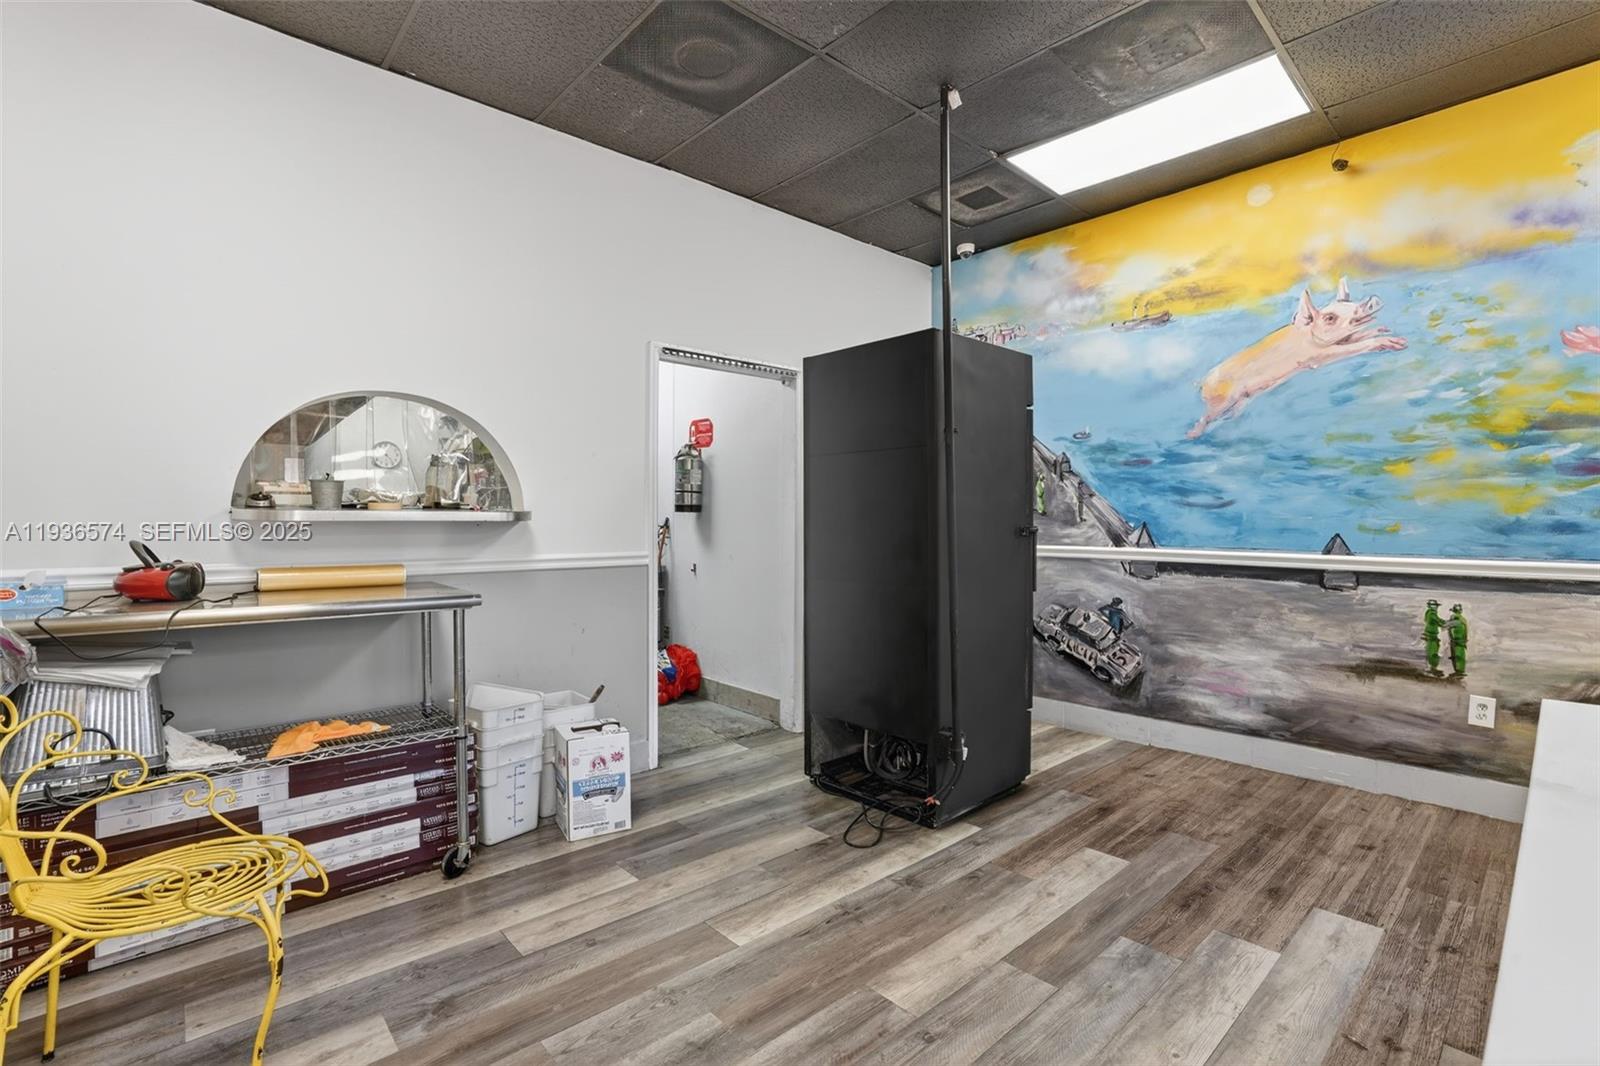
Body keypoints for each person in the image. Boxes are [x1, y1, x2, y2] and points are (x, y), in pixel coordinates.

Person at [1422, 599, 1443, 676]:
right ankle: (1432, 669)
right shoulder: (1432, 614)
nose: (1436, 607)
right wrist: (1449, 623)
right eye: (1434, 606)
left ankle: (1431, 668)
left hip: (1430, 634)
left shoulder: (1429, 613)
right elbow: (1440, 622)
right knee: (1433, 652)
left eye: (1436, 606)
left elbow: (1438, 620)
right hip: (1432, 635)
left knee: (1430, 650)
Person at [1448, 603, 1469, 676]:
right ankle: (1460, 671)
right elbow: (1466, 631)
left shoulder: (1453, 618)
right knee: (1460, 655)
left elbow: (1449, 628)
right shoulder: (1463, 619)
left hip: (1455, 640)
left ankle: (1458, 671)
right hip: (1461, 640)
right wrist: (1465, 639)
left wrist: (1451, 638)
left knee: (1456, 655)